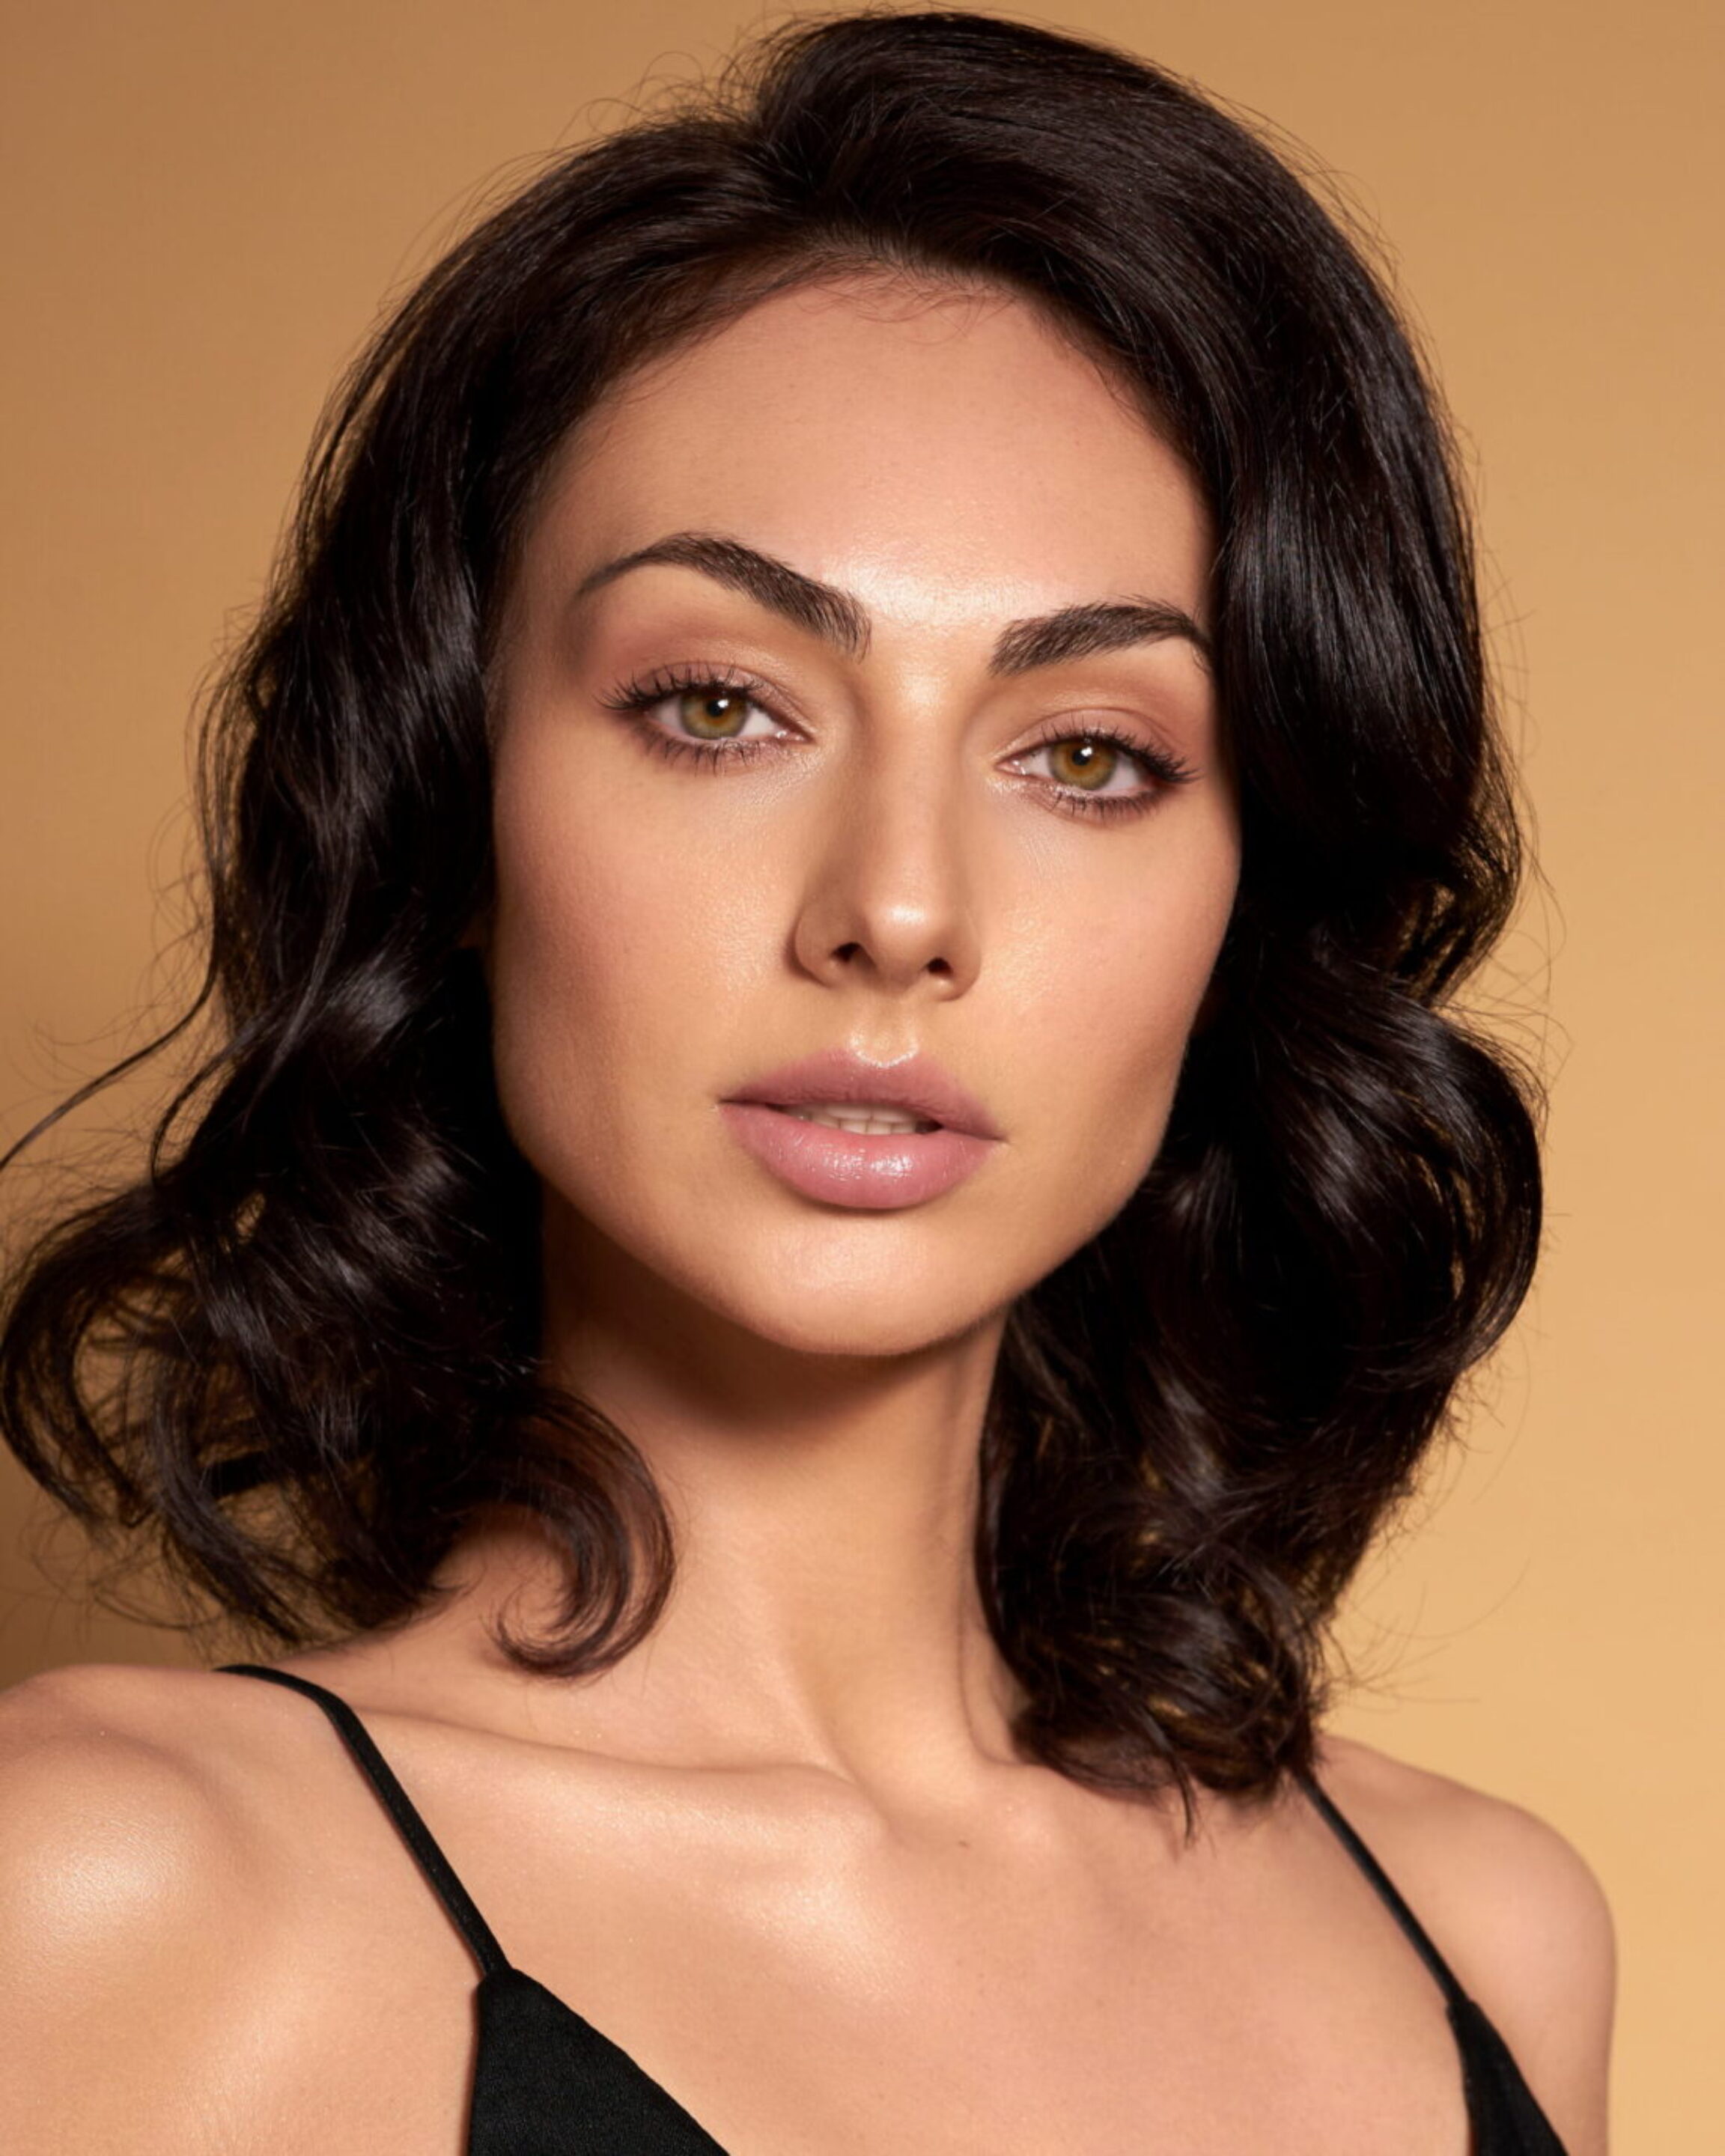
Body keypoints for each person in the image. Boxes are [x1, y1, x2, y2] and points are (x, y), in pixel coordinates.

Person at [0, 10, 1614, 2152]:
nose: (899, 910)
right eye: (718, 709)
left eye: (1091, 755)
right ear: (455, 810)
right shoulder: (107, 1905)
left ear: (1251, 910)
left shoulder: (1485, 1935)